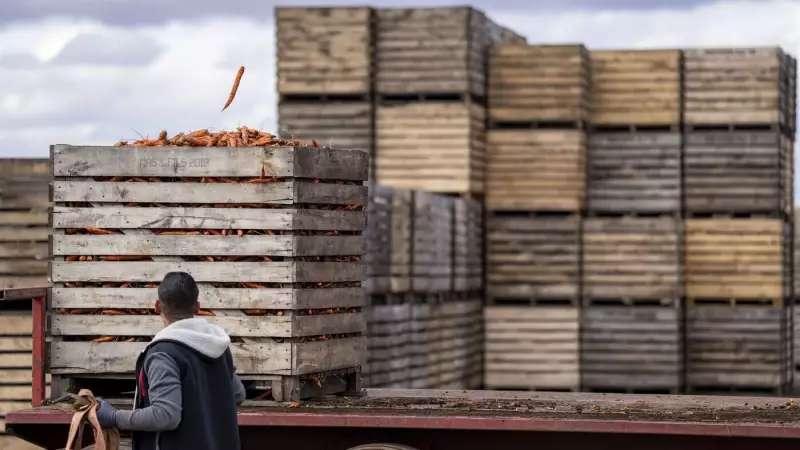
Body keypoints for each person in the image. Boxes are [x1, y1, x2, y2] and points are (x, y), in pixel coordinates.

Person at [96, 271, 246, 450]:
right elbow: (238, 395)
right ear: (197, 307)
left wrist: (113, 417)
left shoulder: (163, 354)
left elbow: (166, 415)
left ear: (158, 306)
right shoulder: (219, 347)